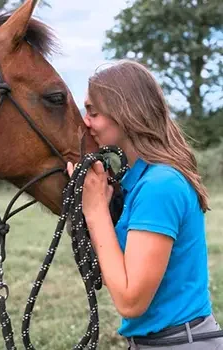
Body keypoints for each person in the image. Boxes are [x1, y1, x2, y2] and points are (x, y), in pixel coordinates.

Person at [67, 60, 223, 349]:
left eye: (93, 112)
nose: (85, 122)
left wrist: (96, 212)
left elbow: (131, 301)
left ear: (125, 114)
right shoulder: (140, 182)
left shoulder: (159, 185)